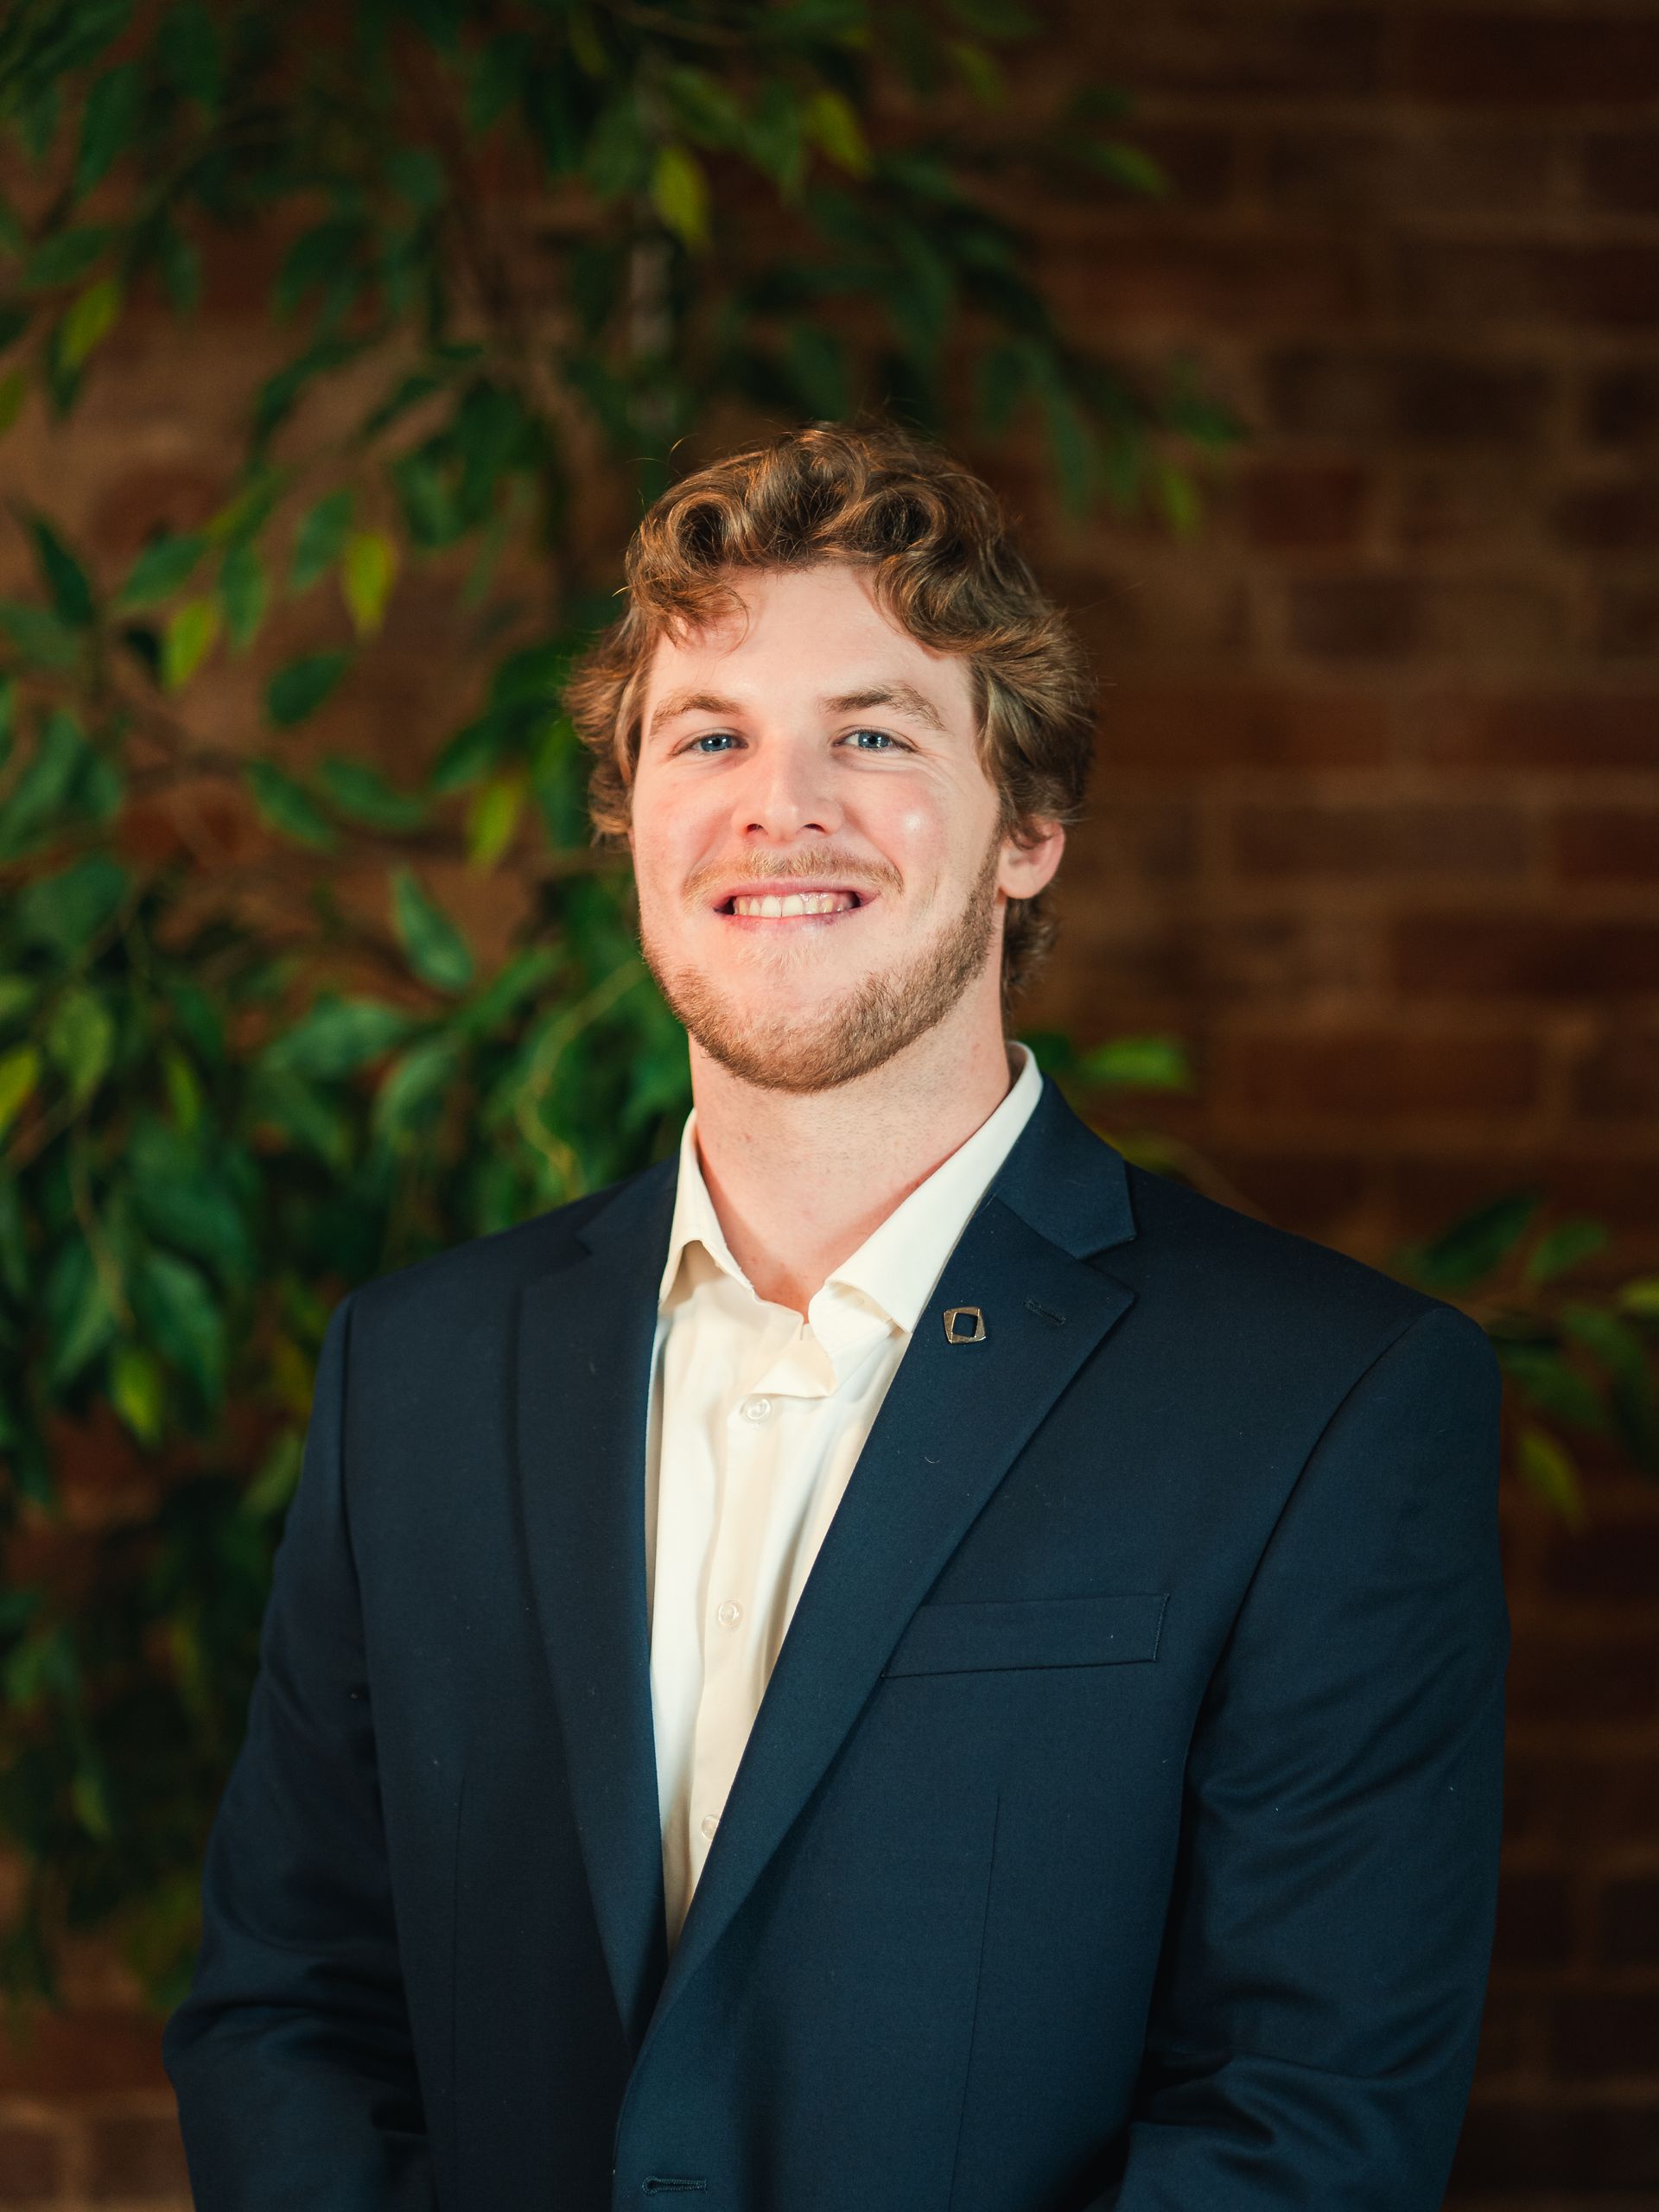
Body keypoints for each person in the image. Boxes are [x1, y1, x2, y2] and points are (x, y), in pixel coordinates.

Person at [162, 419, 1510, 2212]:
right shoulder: (416, 1373)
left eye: (871, 735)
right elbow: (291, 2013)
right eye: (708, 736)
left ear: (1030, 828)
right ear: (631, 817)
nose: (775, 805)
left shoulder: (1325, 1402)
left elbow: (1305, 2122)